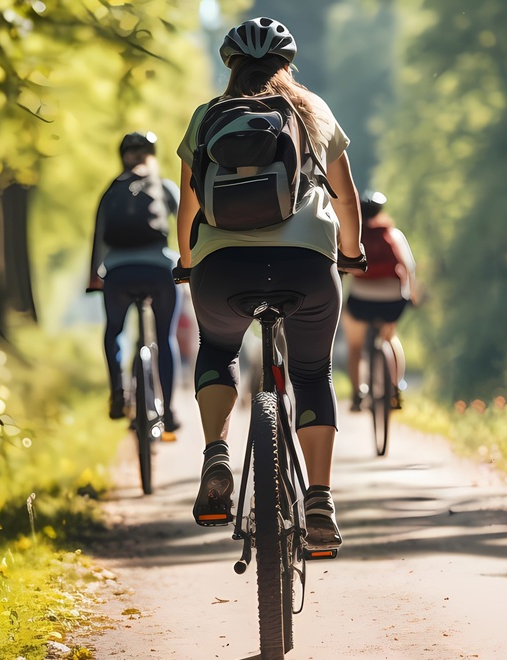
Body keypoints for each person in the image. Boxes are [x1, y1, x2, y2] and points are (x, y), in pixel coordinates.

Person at [174, 17, 365, 551]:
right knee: (311, 372)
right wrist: (351, 254)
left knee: (216, 346)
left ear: (230, 65)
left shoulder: (207, 116)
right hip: (306, 266)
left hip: (222, 268)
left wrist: (190, 265)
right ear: (287, 64)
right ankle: (321, 502)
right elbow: (347, 198)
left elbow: (188, 205)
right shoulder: (312, 110)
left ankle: (216, 455)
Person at [87, 131, 183, 433]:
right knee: (165, 338)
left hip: (118, 274)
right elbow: (186, 226)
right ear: (152, 154)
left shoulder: (111, 191)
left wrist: (94, 277)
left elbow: (98, 239)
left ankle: (118, 391)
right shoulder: (164, 186)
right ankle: (167, 411)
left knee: (114, 330)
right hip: (159, 272)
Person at [342, 191, 418, 412]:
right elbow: (409, 267)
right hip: (392, 299)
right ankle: (395, 387)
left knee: (355, 346)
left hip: (361, 299)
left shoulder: (353, 234)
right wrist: (411, 296)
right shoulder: (392, 234)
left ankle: (357, 395)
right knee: (390, 336)